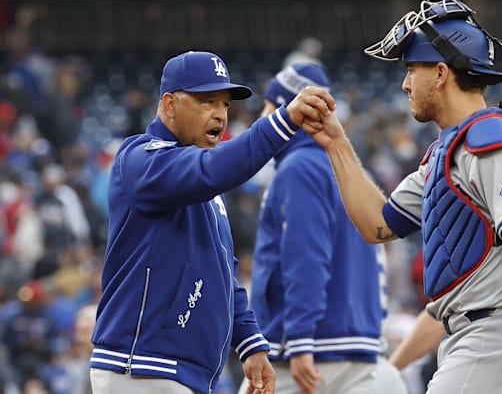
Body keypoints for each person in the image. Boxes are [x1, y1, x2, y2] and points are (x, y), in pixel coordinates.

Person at [304, 0, 502, 393]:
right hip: (468, 339)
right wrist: (336, 143)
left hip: (499, 339)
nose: (404, 83)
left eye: (411, 69)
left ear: (439, 73)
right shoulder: (445, 154)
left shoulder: (494, 142)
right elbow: (378, 224)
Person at [88, 50, 334, 394]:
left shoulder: (203, 178)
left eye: (225, 104)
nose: (220, 114)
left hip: (179, 371)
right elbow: (212, 169)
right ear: (170, 104)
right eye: (207, 102)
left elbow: (221, 269)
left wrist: (249, 339)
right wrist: (283, 121)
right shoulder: (140, 159)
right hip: (141, 366)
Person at [237, 63, 406, 394]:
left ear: (291, 109)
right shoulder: (345, 167)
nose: (262, 116)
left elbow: (305, 256)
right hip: (356, 345)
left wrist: (300, 340)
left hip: (311, 350)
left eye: (270, 106)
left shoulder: (300, 167)